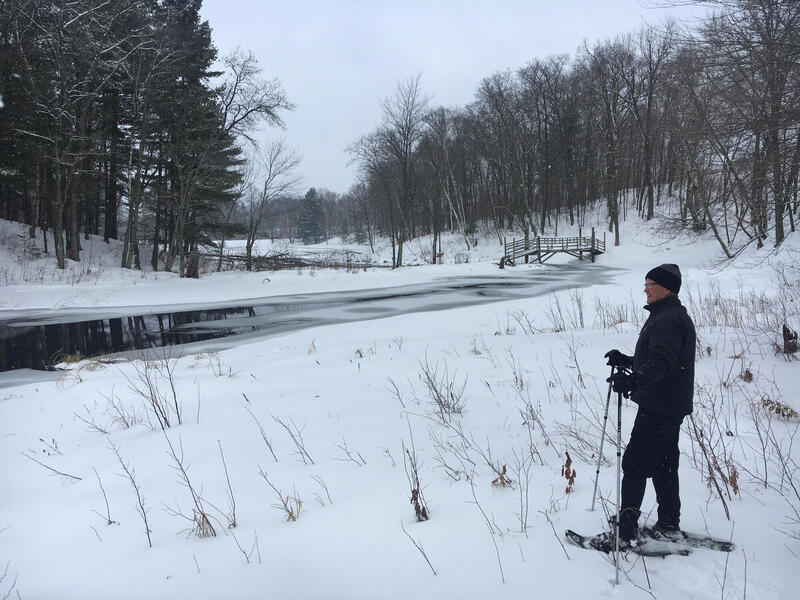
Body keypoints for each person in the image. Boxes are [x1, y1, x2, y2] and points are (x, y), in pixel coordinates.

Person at [594, 263, 696, 552]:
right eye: (645, 284)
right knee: (664, 465)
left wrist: (634, 380)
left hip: (660, 405)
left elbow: (663, 362)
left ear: (666, 288)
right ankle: (668, 525)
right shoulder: (670, 314)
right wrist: (628, 361)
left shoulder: (667, 318)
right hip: (669, 403)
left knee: (635, 464)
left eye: (650, 284)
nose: (645, 289)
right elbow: (662, 359)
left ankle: (625, 533)